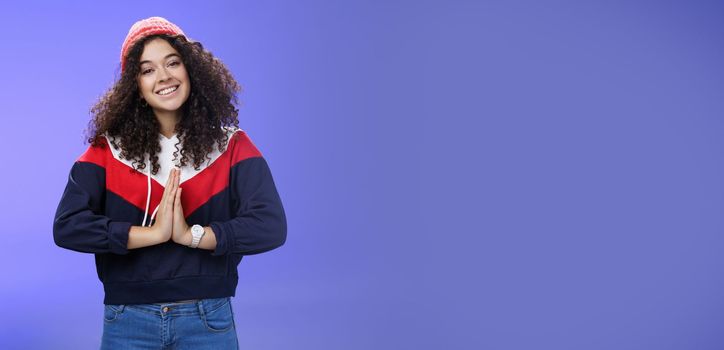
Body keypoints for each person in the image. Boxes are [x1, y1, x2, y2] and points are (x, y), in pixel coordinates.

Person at [52, 16, 287, 349]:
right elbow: (67, 226)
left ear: (192, 70)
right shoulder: (106, 152)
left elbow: (271, 226)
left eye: (173, 63)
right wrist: (152, 235)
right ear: (135, 87)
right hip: (128, 319)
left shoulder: (233, 147)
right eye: (148, 70)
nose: (163, 77)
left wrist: (194, 236)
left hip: (207, 318)